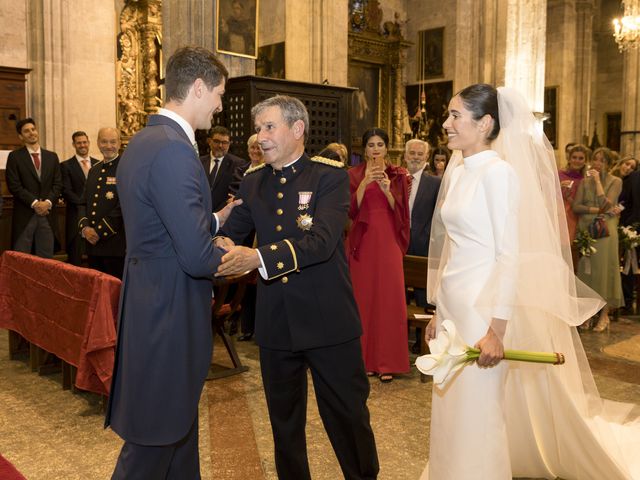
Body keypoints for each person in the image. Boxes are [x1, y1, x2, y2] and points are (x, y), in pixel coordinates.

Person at [422, 83, 640, 480]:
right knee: (450, 403)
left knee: (479, 411)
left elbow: (508, 257)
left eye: (456, 116)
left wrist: (497, 330)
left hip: (482, 308)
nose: (446, 123)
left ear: (485, 122)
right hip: (455, 304)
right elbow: (453, 244)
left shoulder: (499, 174)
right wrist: (439, 308)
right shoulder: (457, 174)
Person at [216, 95, 379, 480]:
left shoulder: (329, 176)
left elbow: (321, 242)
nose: (261, 136)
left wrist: (256, 258)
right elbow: (232, 233)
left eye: (269, 127)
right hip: (278, 323)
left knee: (348, 417)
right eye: (258, 129)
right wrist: (220, 245)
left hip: (328, 321)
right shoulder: (253, 181)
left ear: (297, 129)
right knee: (284, 425)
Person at [105, 46, 239, 479]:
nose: (220, 105)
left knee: (177, 435)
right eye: (218, 94)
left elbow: (164, 224)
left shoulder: (145, 141)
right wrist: (234, 250)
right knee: (152, 443)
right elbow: (198, 256)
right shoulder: (174, 149)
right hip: (169, 310)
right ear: (198, 88)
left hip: (152, 298)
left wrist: (213, 220)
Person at [347, 128, 410, 382]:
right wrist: (364, 184)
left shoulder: (398, 174)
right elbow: (351, 211)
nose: (375, 149)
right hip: (363, 240)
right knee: (363, 299)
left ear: (386, 148)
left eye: (380, 144)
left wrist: (386, 189)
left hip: (388, 242)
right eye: (371, 144)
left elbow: (402, 213)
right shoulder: (353, 174)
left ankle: (387, 363)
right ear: (365, 149)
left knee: (388, 299)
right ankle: (365, 361)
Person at [573, 146, 624, 332]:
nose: (597, 163)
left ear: (609, 164)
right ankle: (588, 314)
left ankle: (604, 315)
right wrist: (594, 210)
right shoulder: (583, 183)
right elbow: (577, 207)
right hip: (586, 230)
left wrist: (597, 182)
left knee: (603, 273)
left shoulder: (616, 181)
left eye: (602, 160)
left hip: (605, 233)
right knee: (587, 273)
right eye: (595, 159)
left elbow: (606, 204)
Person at [404, 138, 441, 353]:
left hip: (423, 245)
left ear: (426, 158)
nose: (416, 157)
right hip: (398, 245)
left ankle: (421, 340)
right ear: (405, 156)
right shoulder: (396, 178)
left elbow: (438, 215)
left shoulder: (435, 183)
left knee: (422, 295)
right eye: (412, 153)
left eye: (420, 154)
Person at [5, 118, 62, 258]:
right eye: (26, 131)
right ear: (20, 136)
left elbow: (58, 184)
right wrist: (35, 203)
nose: (31, 133)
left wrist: (47, 203)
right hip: (25, 216)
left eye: (33, 129)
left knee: (46, 260)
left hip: (47, 216)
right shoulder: (14, 157)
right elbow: (14, 185)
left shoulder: (52, 156)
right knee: (21, 260)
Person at [77, 127, 126, 279]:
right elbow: (83, 203)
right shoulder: (94, 170)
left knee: (114, 293)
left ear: (119, 143)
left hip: (114, 245)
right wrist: (84, 228)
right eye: (104, 141)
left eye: (113, 141)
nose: (108, 146)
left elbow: (124, 206)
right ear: (98, 143)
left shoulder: (126, 168)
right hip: (92, 245)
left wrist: (99, 231)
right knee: (96, 290)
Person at [60, 131, 99, 265]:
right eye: (79, 143)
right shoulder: (65, 166)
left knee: (95, 261)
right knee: (75, 259)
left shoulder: (98, 164)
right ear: (74, 145)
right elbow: (66, 191)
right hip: (75, 217)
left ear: (88, 143)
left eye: (84, 142)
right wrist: (84, 204)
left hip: (96, 218)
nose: (82, 145)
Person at [200, 125, 248, 211]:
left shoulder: (238, 164)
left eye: (225, 142)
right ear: (209, 141)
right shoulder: (199, 162)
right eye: (216, 141)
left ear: (229, 144)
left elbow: (236, 192)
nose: (220, 146)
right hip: (200, 212)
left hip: (224, 215)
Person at [618, 155, 640, 312]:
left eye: (632, 166)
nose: (628, 168)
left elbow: (625, 203)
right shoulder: (628, 178)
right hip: (626, 225)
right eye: (626, 164)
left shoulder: (632, 178)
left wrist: (628, 226)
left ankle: (627, 301)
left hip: (629, 227)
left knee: (629, 265)